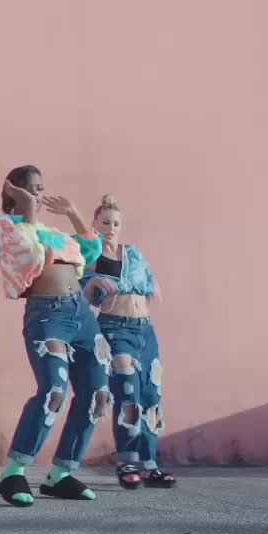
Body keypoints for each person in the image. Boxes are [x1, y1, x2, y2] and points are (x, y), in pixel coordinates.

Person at [0, 165, 111, 507]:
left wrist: (72, 213)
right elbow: (27, 253)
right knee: (53, 391)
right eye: (31, 188)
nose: (38, 194)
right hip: (47, 316)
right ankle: (13, 472)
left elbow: (90, 252)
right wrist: (27, 208)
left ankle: (60, 475)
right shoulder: (5, 226)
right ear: (13, 191)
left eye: (40, 188)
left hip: (81, 315)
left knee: (97, 394)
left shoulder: (51, 230)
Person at [83, 195, 176, 489]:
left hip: (144, 330)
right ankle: (127, 462)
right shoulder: (90, 255)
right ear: (95, 224)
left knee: (151, 395)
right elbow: (83, 296)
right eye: (106, 222)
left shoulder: (133, 252)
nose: (111, 228)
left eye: (116, 223)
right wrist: (93, 282)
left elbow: (148, 276)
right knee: (127, 391)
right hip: (115, 328)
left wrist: (155, 282)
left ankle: (149, 465)